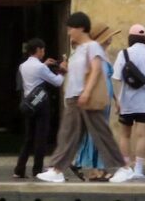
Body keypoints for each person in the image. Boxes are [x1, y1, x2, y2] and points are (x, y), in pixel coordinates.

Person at [35, 12, 136, 184]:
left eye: (71, 28)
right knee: (68, 135)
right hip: (74, 98)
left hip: (85, 99)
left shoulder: (92, 47)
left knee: (101, 134)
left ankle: (124, 168)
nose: (69, 32)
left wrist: (87, 92)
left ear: (81, 28)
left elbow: (96, 70)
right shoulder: (79, 50)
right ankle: (57, 170)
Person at [72, 25, 120, 181]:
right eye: (109, 35)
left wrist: (116, 99)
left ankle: (90, 166)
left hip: (103, 100)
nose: (111, 38)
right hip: (96, 100)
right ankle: (94, 168)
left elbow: (108, 81)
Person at [14, 37, 66, 179]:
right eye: (42, 50)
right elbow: (56, 82)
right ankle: (37, 170)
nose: (44, 52)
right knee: (41, 138)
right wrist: (62, 71)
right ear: (38, 50)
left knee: (28, 138)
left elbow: (35, 74)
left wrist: (44, 64)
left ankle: (19, 169)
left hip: (29, 105)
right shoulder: (40, 67)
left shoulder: (23, 66)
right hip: (42, 105)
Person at [112, 24, 145, 181]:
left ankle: (126, 168)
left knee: (125, 135)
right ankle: (139, 169)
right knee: (142, 135)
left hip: (126, 101)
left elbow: (117, 77)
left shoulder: (123, 54)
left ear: (130, 38)